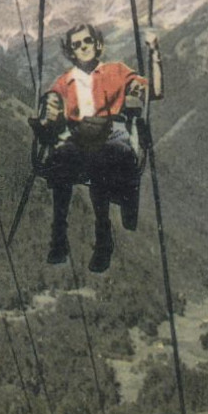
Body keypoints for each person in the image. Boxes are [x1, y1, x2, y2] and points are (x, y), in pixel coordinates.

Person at [37, 23, 163, 273]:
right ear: (71, 51)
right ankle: (59, 234)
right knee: (60, 160)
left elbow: (154, 92)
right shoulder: (65, 82)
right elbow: (52, 107)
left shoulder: (116, 71)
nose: (83, 47)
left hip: (112, 132)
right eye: (76, 45)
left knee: (100, 157)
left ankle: (103, 235)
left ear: (97, 44)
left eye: (87, 42)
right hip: (81, 135)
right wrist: (48, 115)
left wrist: (154, 54)